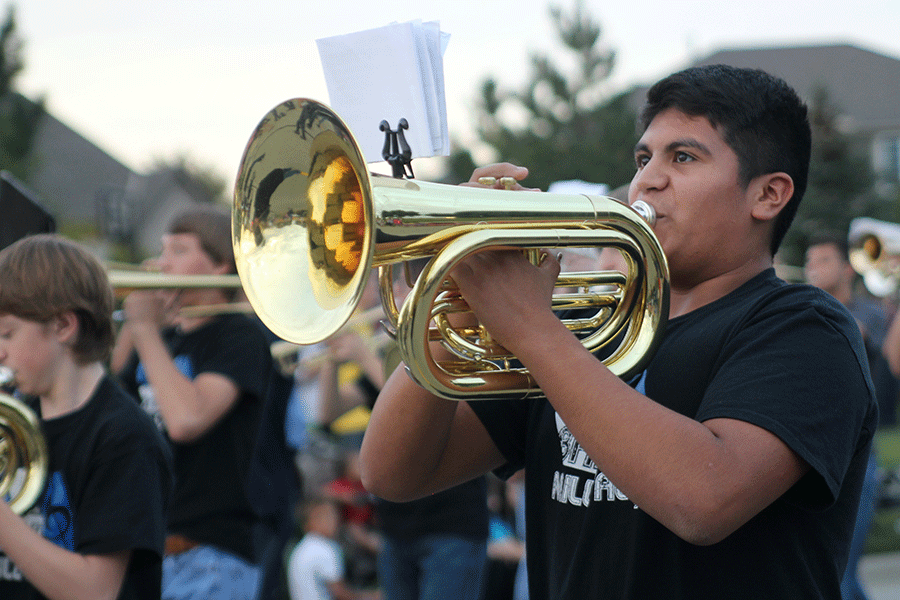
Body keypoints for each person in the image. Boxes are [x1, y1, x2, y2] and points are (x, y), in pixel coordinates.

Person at [359, 64, 878, 599]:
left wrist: (532, 326)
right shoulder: (582, 331)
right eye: (643, 157)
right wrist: (462, 303)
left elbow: (703, 499)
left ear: (768, 195)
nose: (648, 178)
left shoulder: (806, 329)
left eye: (683, 157)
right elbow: (395, 473)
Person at [113, 204, 273, 600]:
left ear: (219, 264)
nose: (161, 262)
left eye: (179, 250)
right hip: (151, 551)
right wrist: (139, 328)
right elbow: (116, 399)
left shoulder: (240, 336)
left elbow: (187, 420)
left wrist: (145, 328)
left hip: (209, 557)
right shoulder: (164, 340)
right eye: (163, 249)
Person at [0, 233, 172, 600]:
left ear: (63, 326)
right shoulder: (15, 422)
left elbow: (95, 590)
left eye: (7, 334)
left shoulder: (125, 439)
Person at [287, 499, 380, 600]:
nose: (334, 521)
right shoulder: (325, 548)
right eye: (326, 517)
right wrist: (372, 597)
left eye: (333, 515)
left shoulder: (300, 548)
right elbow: (340, 594)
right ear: (310, 521)